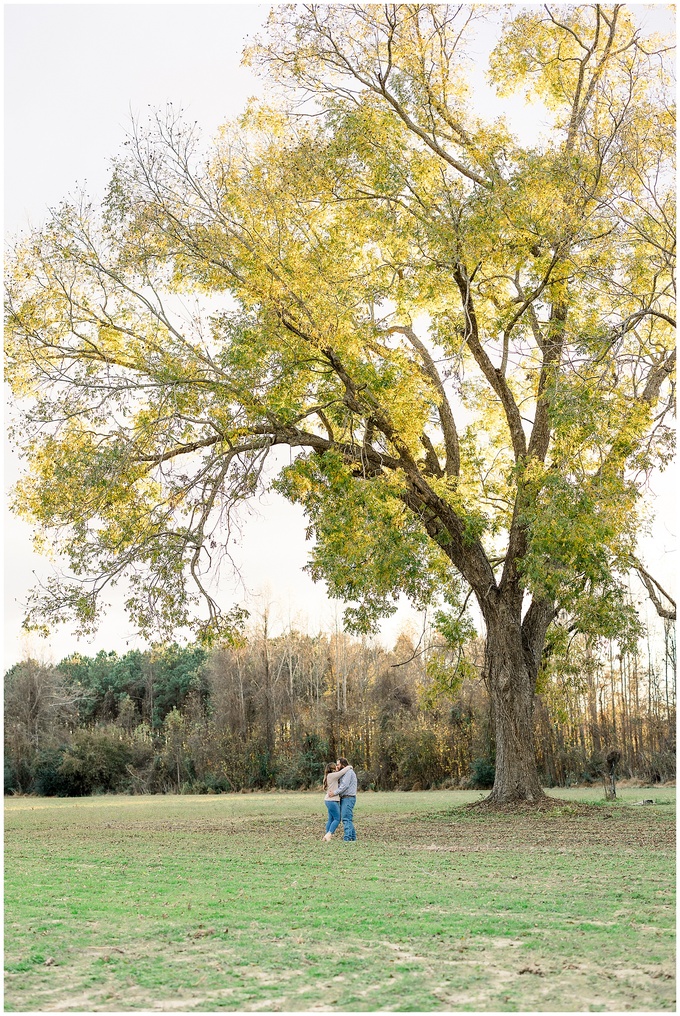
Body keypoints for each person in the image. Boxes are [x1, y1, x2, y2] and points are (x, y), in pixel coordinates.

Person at [322, 761, 351, 842]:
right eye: (336, 766)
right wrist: (349, 767)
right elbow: (342, 772)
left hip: (329, 800)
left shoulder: (329, 776)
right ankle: (329, 834)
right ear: (333, 769)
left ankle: (326, 836)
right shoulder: (332, 775)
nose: (337, 767)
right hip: (332, 801)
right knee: (337, 819)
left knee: (331, 819)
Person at [336, 756, 358, 841]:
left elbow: (344, 786)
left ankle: (347, 838)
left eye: (338, 764)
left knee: (346, 819)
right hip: (345, 798)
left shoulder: (348, 772)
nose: (337, 766)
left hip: (348, 798)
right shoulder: (345, 773)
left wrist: (334, 793)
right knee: (347, 818)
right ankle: (352, 838)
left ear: (343, 765)